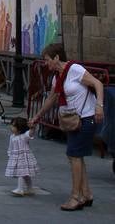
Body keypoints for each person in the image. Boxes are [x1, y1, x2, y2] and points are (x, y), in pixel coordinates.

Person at [29, 42, 105, 211]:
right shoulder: (57, 77)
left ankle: (75, 197)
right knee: (75, 156)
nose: (46, 63)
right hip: (72, 120)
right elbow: (51, 99)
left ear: (57, 57)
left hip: (85, 118)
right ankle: (86, 193)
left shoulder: (75, 70)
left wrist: (99, 106)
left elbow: (97, 84)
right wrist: (37, 117)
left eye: (48, 60)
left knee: (74, 155)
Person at [5, 116, 38, 196]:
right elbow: (11, 146)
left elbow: (30, 133)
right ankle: (30, 188)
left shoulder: (24, 136)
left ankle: (20, 189)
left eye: (13, 126)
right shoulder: (12, 136)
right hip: (16, 157)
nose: (11, 127)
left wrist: (33, 128)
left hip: (24, 157)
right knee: (25, 174)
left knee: (21, 173)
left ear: (19, 128)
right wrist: (10, 154)